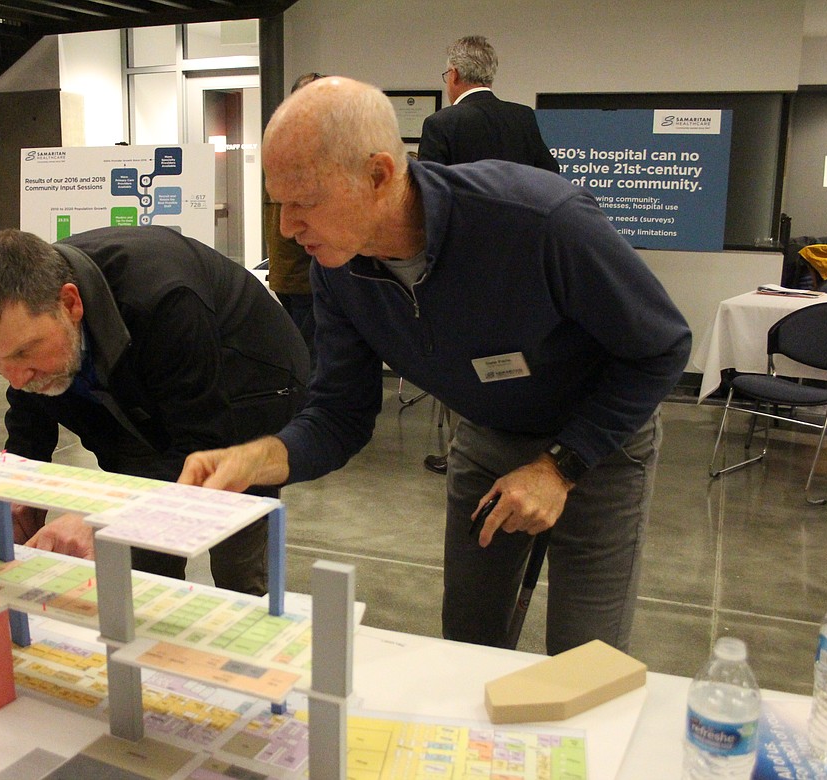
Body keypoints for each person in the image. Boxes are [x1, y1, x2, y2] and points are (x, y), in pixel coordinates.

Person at [178, 77, 691, 655]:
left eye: (305, 203)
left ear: (378, 175)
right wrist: (260, 457)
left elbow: (661, 347)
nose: (288, 229)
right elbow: (340, 413)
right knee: (467, 642)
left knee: (586, 657)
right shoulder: (339, 268)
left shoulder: (539, 220)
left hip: (601, 441)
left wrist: (560, 467)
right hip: (490, 434)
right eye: (279, 205)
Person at [0, 226, 309, 596]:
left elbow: (202, 442)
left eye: (23, 352)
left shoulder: (164, 298)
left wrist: (105, 517)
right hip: (142, 392)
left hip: (245, 390)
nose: (16, 378)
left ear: (70, 304)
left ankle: (249, 617)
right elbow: (28, 406)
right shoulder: (32, 317)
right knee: (142, 556)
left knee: (231, 540)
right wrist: (16, 483)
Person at [418, 37, 560, 476]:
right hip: (523, 266)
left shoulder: (442, 124)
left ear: (455, 76)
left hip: (465, 267)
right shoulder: (523, 118)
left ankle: (467, 451)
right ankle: (520, 444)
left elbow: (427, 201)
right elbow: (550, 180)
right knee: (520, 355)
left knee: (465, 359)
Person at [419, 35, 559, 173]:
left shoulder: (439, 123)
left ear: (454, 75)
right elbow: (551, 171)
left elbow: (428, 186)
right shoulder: (523, 116)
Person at [265, 71, 326, 370]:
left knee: (304, 351)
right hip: (303, 271)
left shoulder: (280, 140)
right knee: (311, 357)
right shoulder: (304, 147)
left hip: (289, 270)